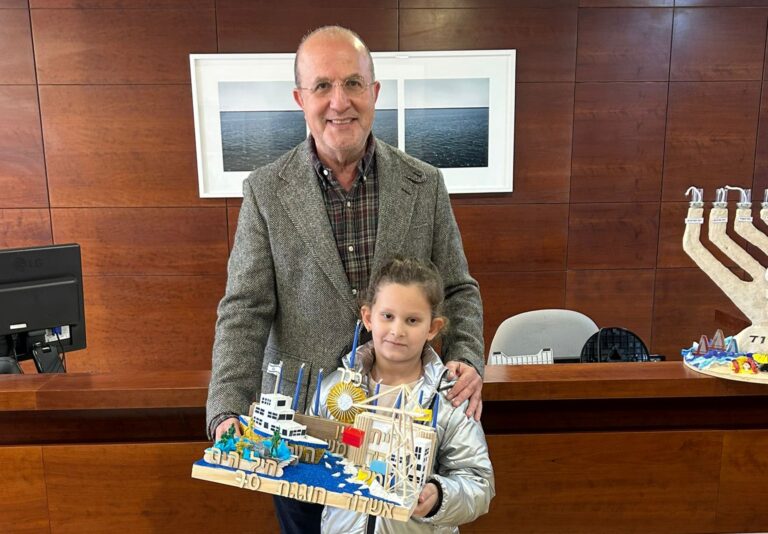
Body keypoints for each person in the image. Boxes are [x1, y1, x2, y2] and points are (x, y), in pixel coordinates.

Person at [206, 25, 485, 533]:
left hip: (402, 423)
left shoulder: (424, 184)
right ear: (300, 99)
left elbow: (459, 288)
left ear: (374, 93)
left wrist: (466, 357)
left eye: (354, 83)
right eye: (322, 86)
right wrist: (227, 406)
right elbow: (244, 309)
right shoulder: (265, 191)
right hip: (298, 435)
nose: (340, 102)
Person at [312, 257, 495, 533]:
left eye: (412, 320)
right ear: (368, 318)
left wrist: (439, 495)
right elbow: (310, 454)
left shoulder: (450, 398)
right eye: (388, 316)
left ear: (432, 328)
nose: (397, 331)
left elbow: (479, 482)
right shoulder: (334, 389)